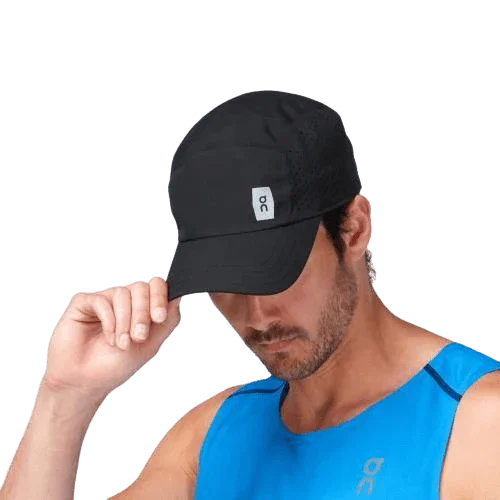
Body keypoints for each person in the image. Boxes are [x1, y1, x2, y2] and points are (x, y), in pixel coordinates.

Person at [1, 90, 499, 500]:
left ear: (354, 230)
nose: (258, 316)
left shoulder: (479, 425)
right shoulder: (214, 436)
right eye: (230, 281)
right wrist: (65, 396)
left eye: (278, 273)